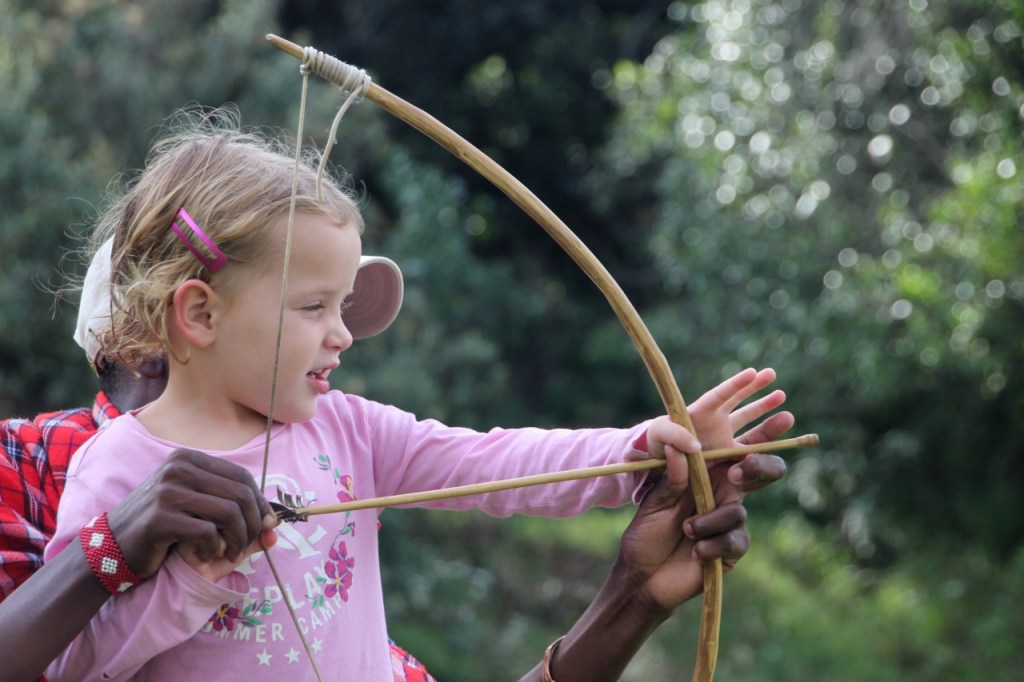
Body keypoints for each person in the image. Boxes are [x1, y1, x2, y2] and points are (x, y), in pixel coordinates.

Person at [43, 109, 794, 681]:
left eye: (342, 308)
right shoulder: (115, 470)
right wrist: (186, 584)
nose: (342, 335)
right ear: (201, 313)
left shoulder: (347, 431)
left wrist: (639, 450)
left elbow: (494, 466)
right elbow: (69, 664)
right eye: (314, 308)